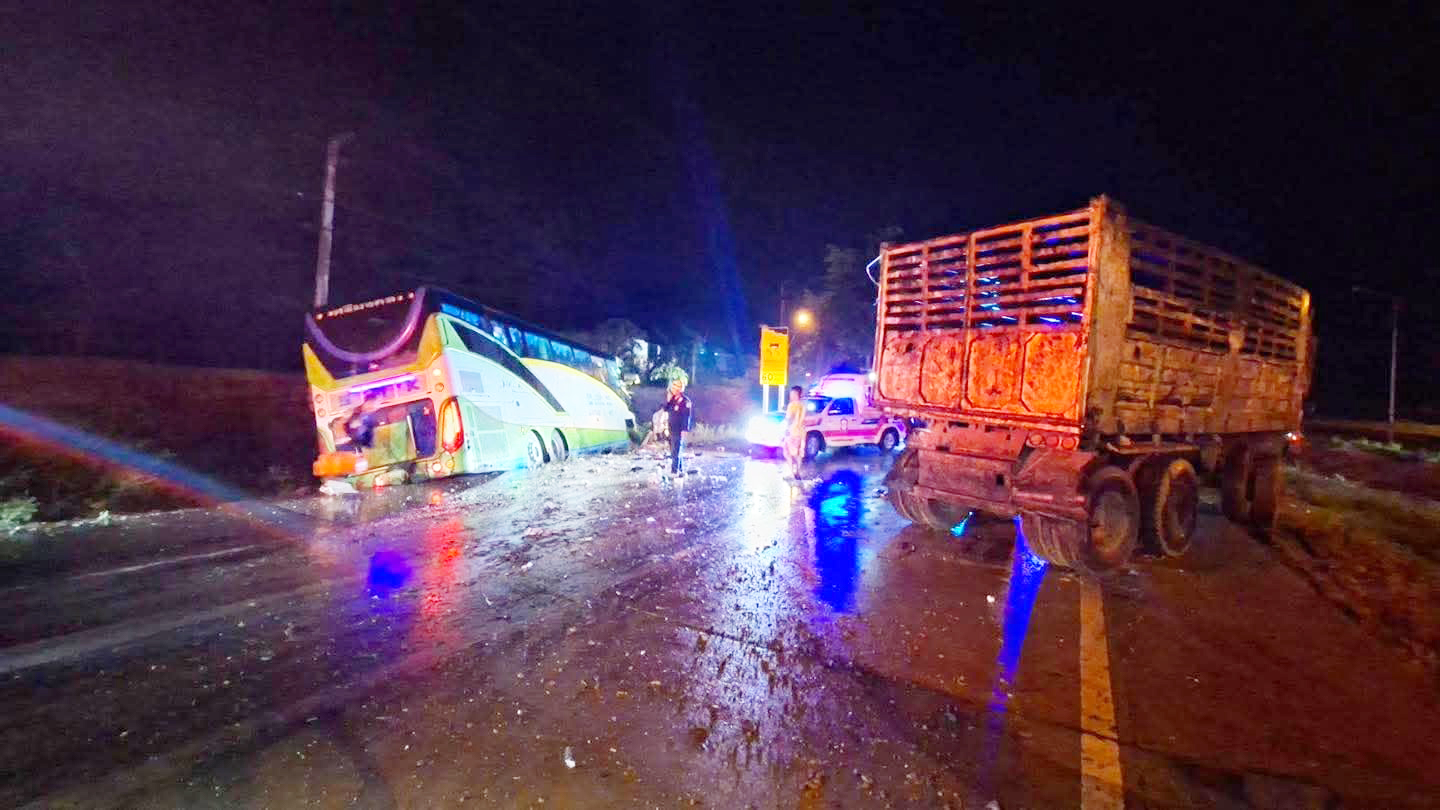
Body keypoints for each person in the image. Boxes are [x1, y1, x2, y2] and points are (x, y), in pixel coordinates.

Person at [662, 378, 693, 475]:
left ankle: (674, 471)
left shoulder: (685, 401)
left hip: (679, 429)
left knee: (676, 450)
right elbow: (665, 409)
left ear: (681, 388)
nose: (674, 388)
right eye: (673, 386)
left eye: (677, 386)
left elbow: (686, 416)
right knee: (674, 450)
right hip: (671, 427)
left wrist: (685, 429)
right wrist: (668, 399)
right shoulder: (672, 399)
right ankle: (680, 469)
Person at [782, 384, 806, 478]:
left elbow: (789, 419)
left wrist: (786, 430)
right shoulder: (803, 406)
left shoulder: (792, 405)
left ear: (796, 394)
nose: (790, 396)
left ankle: (792, 473)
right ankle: (798, 471)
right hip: (801, 433)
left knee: (788, 453)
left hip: (792, 432)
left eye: (792, 394)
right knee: (798, 453)